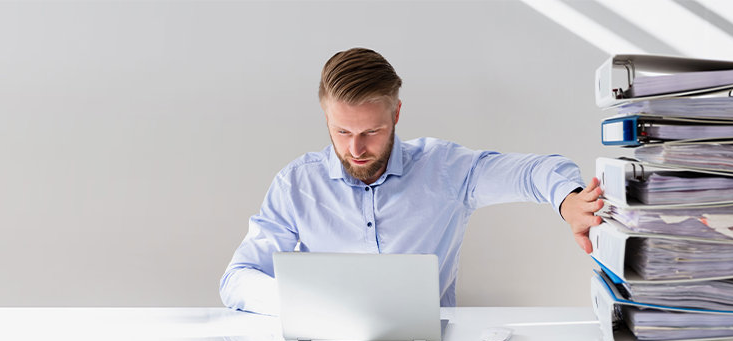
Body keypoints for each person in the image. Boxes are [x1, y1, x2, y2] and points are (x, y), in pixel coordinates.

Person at [219, 48, 603, 316]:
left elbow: (536, 171)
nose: (355, 149)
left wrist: (568, 199)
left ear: (396, 114)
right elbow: (237, 279)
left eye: (371, 131)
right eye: (341, 131)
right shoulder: (296, 185)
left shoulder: (445, 169)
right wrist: (303, 303)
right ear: (326, 117)